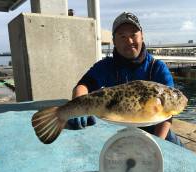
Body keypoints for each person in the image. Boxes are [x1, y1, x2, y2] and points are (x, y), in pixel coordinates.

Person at [68, 11, 183, 146]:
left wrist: (156, 144)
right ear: (114, 41)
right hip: (116, 131)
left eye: (133, 35)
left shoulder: (157, 68)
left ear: (142, 36)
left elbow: (168, 112)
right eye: (122, 36)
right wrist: (78, 105)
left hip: (156, 132)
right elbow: (83, 86)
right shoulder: (106, 66)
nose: (129, 41)